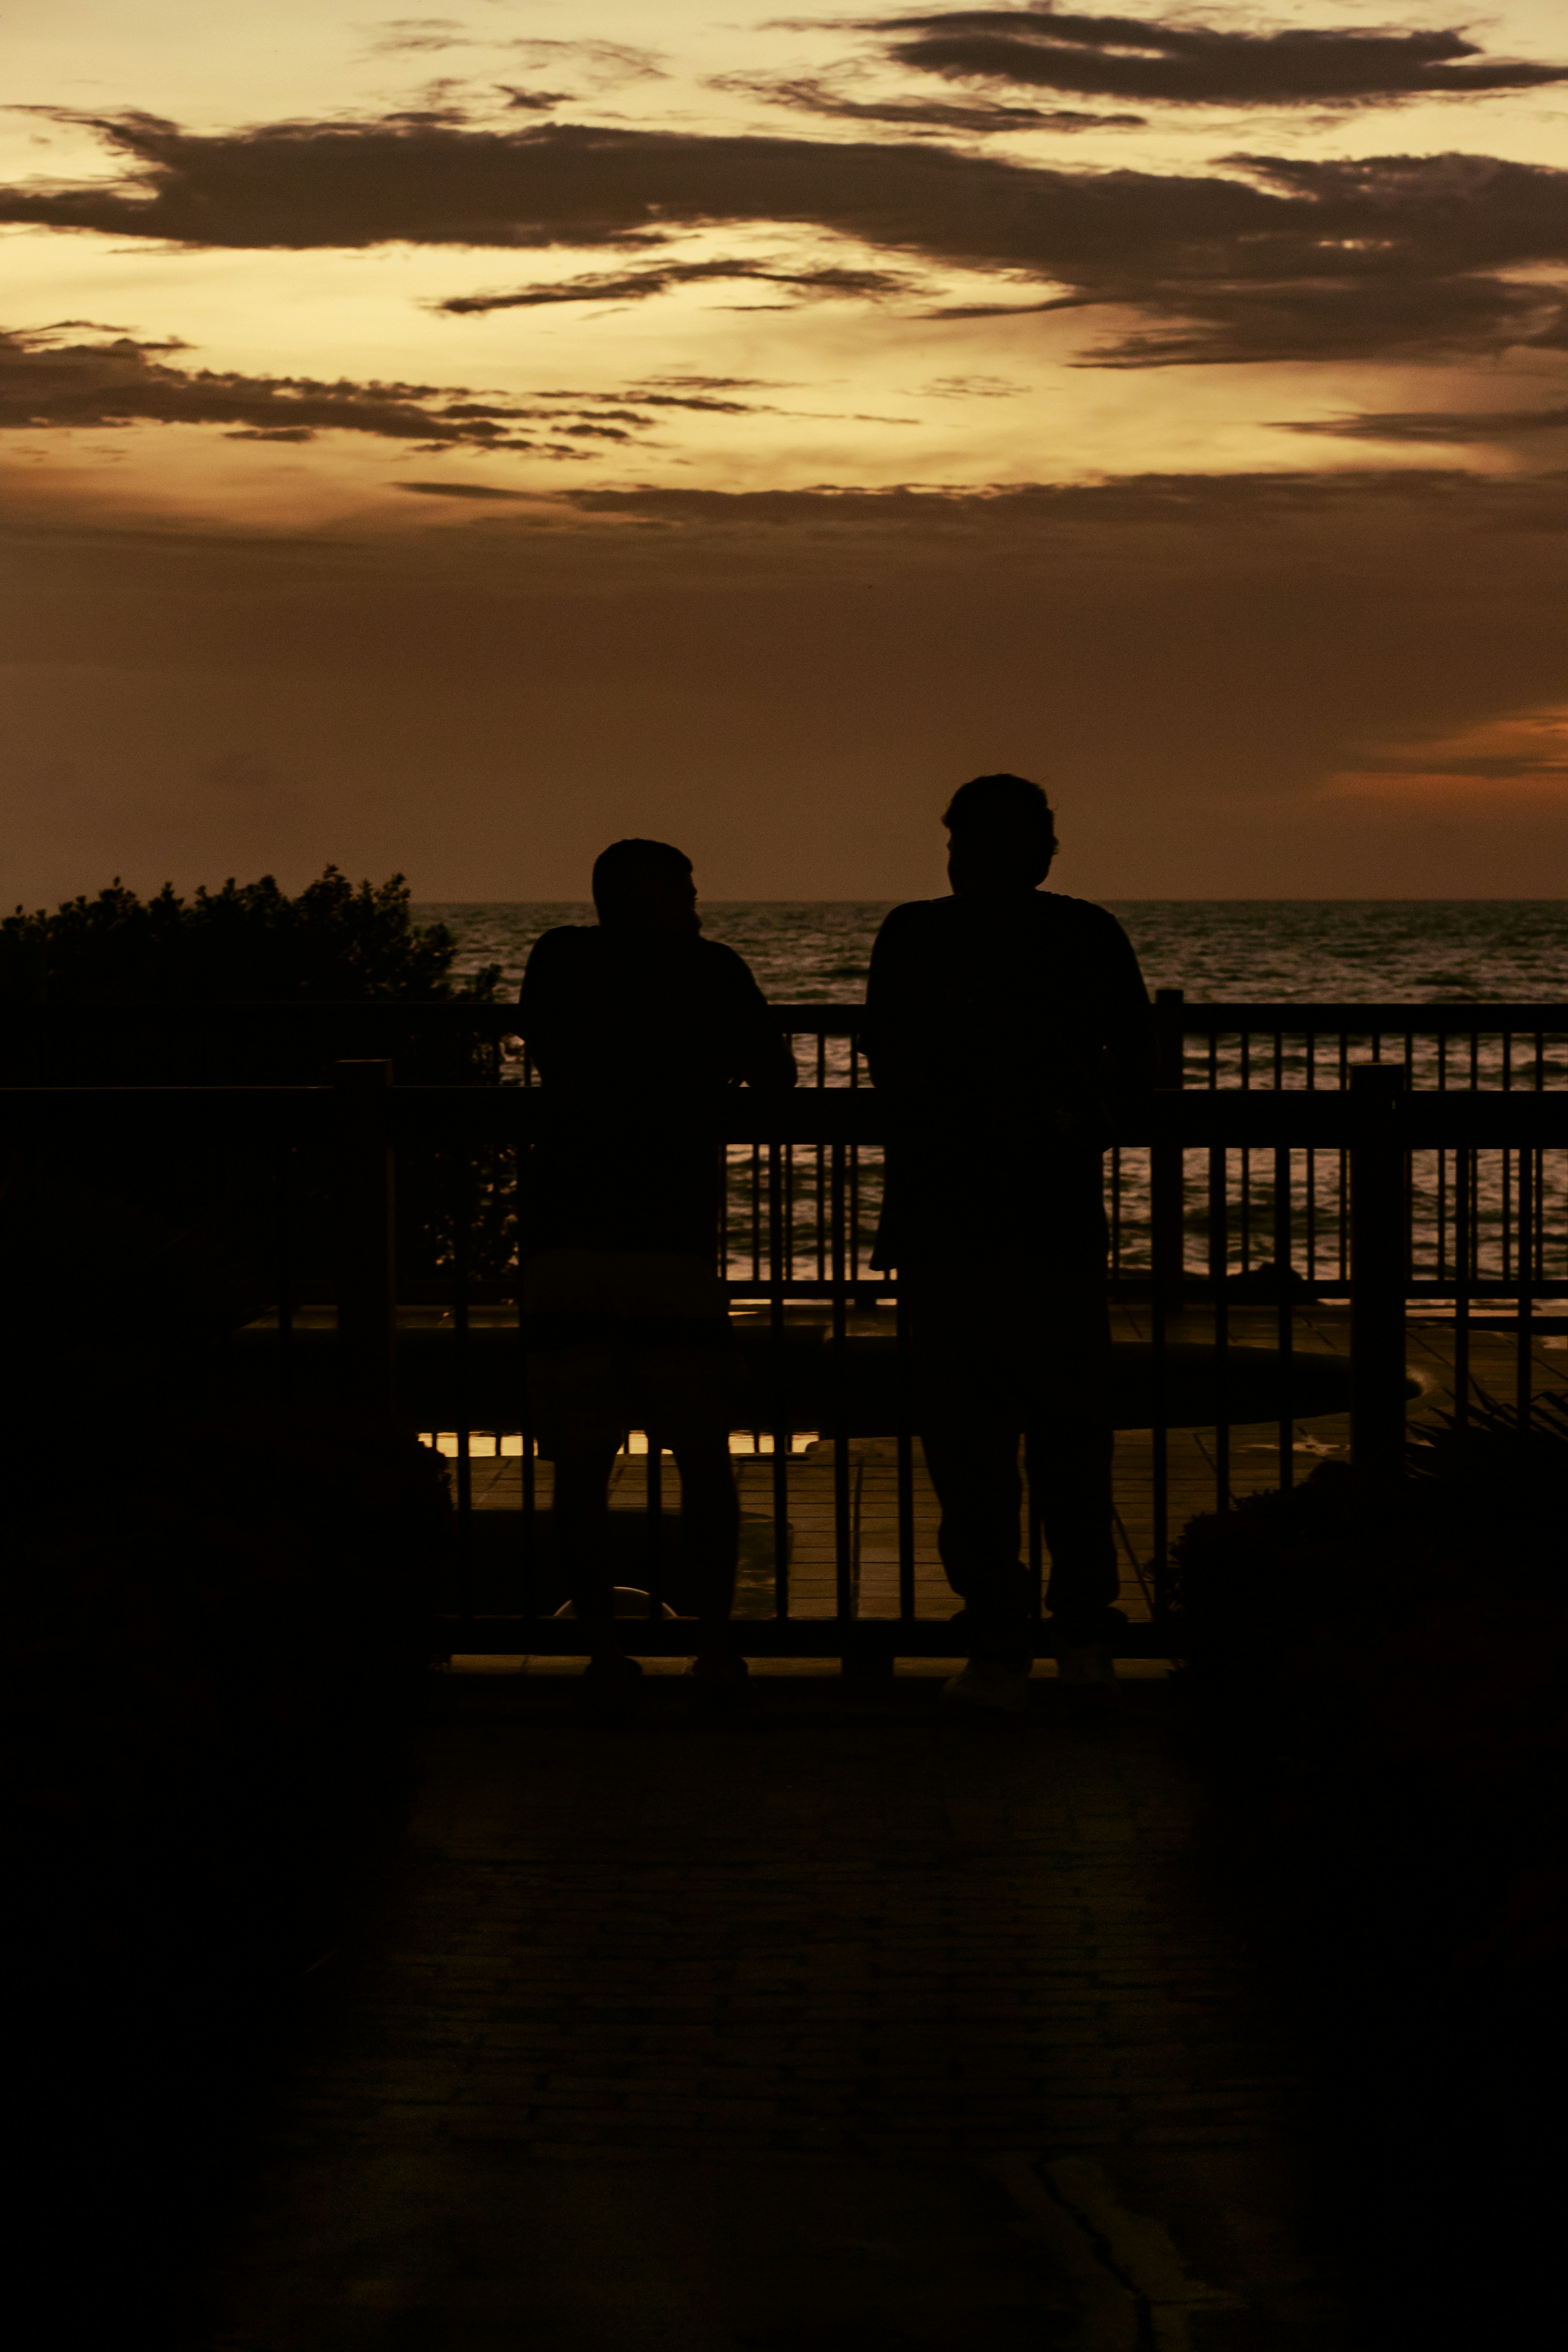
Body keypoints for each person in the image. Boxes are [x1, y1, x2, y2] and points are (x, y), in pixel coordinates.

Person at [863, 774, 1154, 1716]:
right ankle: (1075, 1632)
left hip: (954, 1221)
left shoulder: (914, 935)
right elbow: (1138, 1061)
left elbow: (888, 1057)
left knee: (973, 1444)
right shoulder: (1084, 934)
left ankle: (1004, 1634)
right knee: (1059, 1438)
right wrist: (1078, 1112)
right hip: (1044, 1216)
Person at [518, 838, 796, 1715]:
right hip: (671, 1240)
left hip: (566, 1236)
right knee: (703, 1458)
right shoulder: (710, 971)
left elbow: (544, 1047)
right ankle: (715, 1647)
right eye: (685, 890)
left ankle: (603, 1648)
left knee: (579, 1464)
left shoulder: (558, 960)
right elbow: (777, 1077)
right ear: (667, 900)